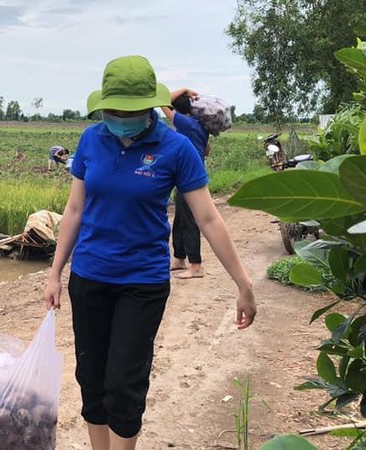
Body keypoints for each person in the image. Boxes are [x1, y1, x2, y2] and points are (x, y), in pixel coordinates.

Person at [43, 55, 256, 450]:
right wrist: (55, 273)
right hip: (89, 277)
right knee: (91, 378)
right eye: (112, 110)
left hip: (142, 283)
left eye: (129, 111)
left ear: (148, 108)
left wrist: (243, 284)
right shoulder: (92, 139)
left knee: (124, 383)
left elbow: (208, 218)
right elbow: (75, 210)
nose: (119, 118)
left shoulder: (176, 149)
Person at [161, 89, 212, 280]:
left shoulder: (185, 122)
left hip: (189, 178)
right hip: (184, 176)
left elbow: (162, 102)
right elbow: (207, 150)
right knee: (181, 219)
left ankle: (196, 265)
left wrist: (184, 90)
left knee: (189, 220)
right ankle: (179, 258)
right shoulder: (198, 125)